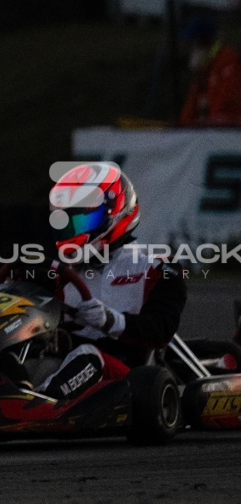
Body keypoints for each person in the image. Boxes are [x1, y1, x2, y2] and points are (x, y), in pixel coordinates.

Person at [40, 160, 186, 390]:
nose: (74, 230)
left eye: (83, 220)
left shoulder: (156, 267)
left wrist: (110, 320)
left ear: (116, 212)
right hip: (64, 363)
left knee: (88, 354)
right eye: (68, 223)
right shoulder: (58, 274)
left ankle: (40, 402)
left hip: (128, 375)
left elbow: (161, 330)